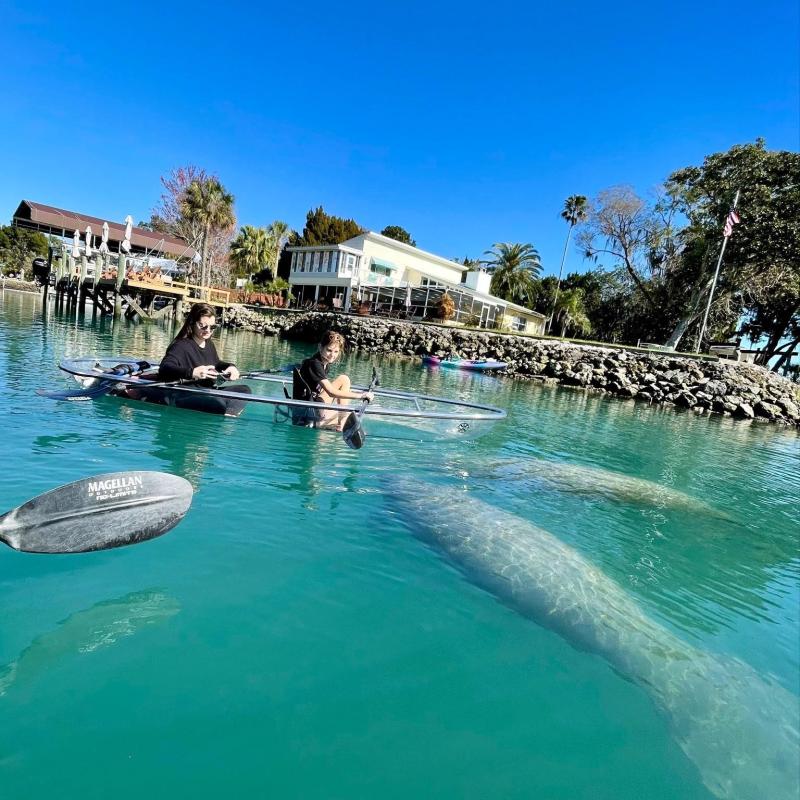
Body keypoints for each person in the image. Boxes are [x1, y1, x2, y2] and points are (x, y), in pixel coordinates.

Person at [294, 330, 374, 430]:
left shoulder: (323, 363)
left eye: (336, 352)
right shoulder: (315, 364)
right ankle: (340, 425)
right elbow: (331, 392)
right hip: (308, 410)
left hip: (312, 403)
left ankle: (341, 423)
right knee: (346, 410)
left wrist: (359, 393)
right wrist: (361, 396)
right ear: (320, 347)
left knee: (344, 380)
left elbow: (324, 390)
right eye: (329, 350)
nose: (332, 355)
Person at [159, 303, 241, 384]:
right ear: (192, 323)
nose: (208, 331)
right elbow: (164, 368)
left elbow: (216, 363)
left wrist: (230, 367)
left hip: (207, 391)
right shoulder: (180, 346)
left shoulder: (209, 344)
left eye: (212, 327)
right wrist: (192, 372)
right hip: (189, 392)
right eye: (203, 326)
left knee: (243, 390)